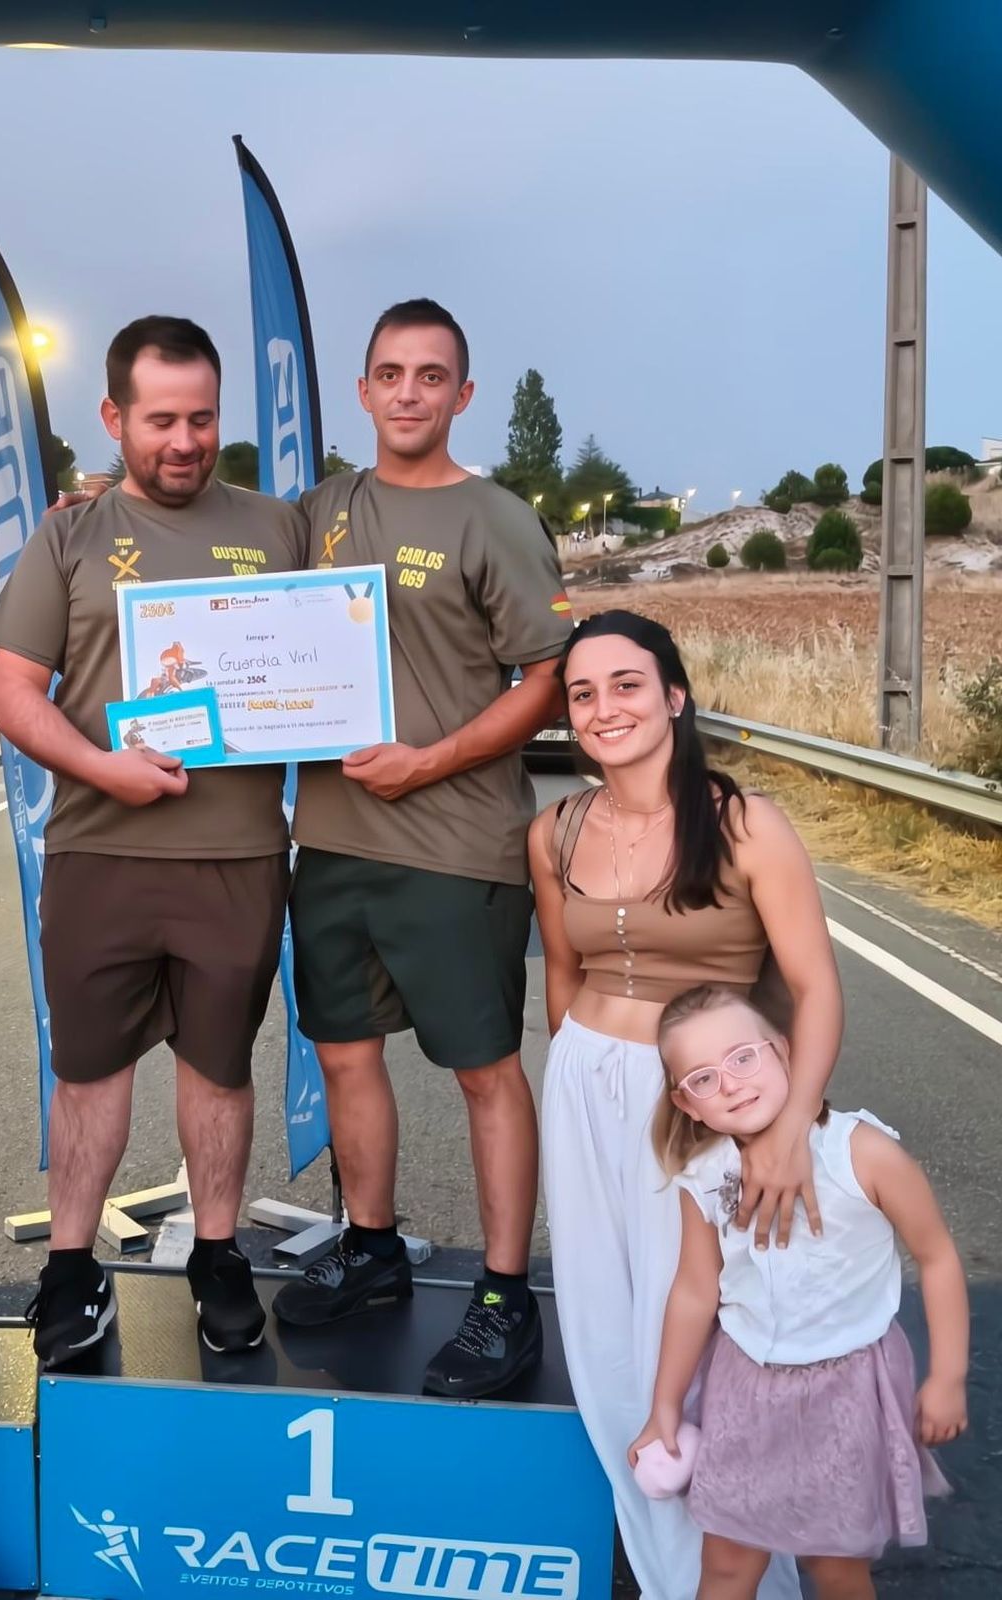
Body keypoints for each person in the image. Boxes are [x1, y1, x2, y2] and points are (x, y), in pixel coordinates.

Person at [0, 315, 306, 1364]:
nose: (183, 440)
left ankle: (219, 1257)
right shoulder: (68, 538)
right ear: (114, 416)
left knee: (218, 1068)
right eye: (160, 419)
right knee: (90, 1075)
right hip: (101, 851)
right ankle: (70, 1270)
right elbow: (10, 692)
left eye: (202, 418)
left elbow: (328, 652)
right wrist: (103, 768)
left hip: (236, 854)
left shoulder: (277, 528)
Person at [270, 299, 569, 1402]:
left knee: (483, 1072)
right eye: (389, 373)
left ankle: (502, 1296)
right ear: (362, 391)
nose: (407, 392)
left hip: (453, 841)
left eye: (429, 375)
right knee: (346, 1054)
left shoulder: (495, 518)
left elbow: (543, 678)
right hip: (335, 839)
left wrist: (428, 760)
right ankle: (375, 1250)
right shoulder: (321, 512)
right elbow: (229, 594)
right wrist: (97, 508)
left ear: (461, 394)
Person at [530, 608, 844, 1600]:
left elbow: (816, 986)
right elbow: (562, 977)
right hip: (583, 1083)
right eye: (582, 693)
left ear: (671, 695)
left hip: (705, 1109)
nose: (602, 707)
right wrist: (570, 1087)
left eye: (626, 684)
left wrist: (787, 1128)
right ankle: (679, 1579)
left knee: (710, 1351)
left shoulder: (747, 823)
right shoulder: (554, 829)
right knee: (606, 1353)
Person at [630, 984, 966, 1600]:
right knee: (728, 1564)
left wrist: (946, 1378)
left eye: (743, 1057)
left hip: (848, 1389)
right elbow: (695, 1293)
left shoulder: (859, 1152)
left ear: (784, 1051)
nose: (730, 1083)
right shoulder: (704, 1178)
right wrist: (665, 1406)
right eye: (703, 1078)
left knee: (833, 1567)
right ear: (687, 1104)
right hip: (745, 1387)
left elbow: (937, 1256)